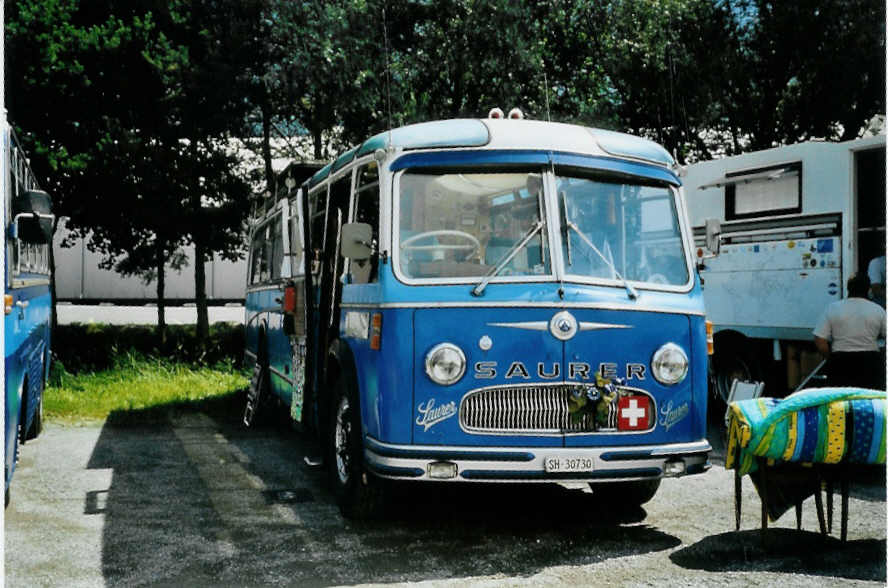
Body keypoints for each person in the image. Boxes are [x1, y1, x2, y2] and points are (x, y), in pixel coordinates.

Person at [813, 273, 886, 389]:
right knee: (868, 400)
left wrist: (830, 358)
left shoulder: (833, 308)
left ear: (848, 288)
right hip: (870, 362)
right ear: (868, 289)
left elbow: (819, 339)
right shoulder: (878, 310)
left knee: (840, 401)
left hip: (841, 361)